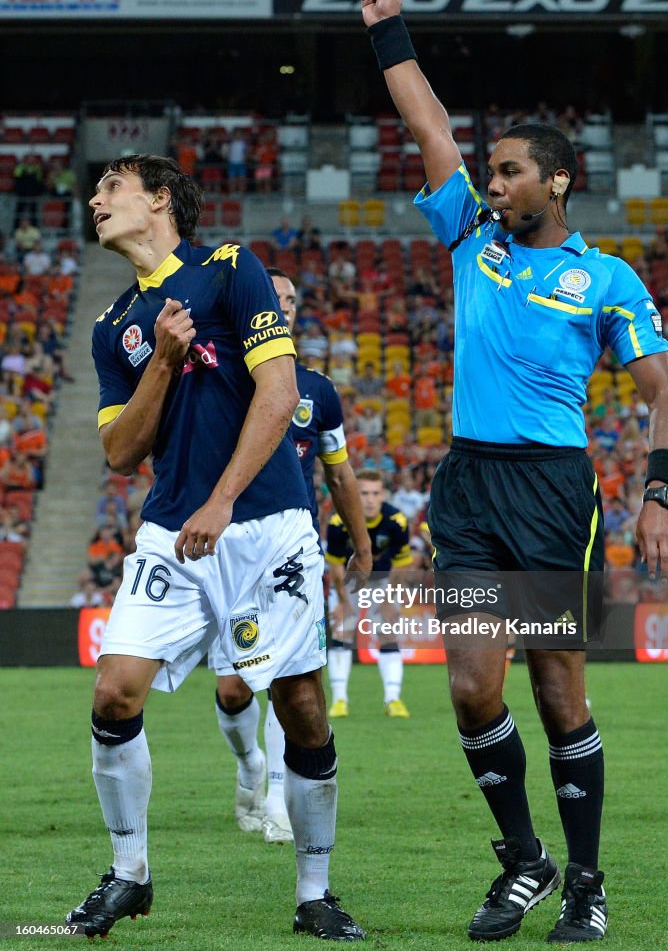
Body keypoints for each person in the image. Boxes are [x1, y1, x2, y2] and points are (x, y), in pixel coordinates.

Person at [361, 0, 668, 944]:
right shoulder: (469, 238)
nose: (489, 183)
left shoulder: (606, 278)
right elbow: (430, 131)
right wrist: (388, 34)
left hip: (549, 489)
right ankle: (524, 862)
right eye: (488, 171)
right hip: (466, 484)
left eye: (507, 173)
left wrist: (659, 491)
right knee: (468, 687)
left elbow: (662, 393)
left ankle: (584, 881)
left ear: (555, 181)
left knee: (555, 690)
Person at [66, 155, 364, 942]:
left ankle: (314, 893)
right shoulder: (112, 329)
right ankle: (129, 875)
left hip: (264, 522)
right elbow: (122, 453)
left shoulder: (231, 268)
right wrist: (161, 361)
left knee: (301, 708)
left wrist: (224, 498)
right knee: (113, 692)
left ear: (159, 200)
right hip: (171, 529)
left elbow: (279, 392)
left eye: (112, 188)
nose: (95, 200)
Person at [208, 268, 371, 844]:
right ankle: (249, 761)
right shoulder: (221, 378)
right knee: (232, 690)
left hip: (291, 549)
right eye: (273, 298)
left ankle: (278, 795)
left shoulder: (317, 390)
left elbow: (340, 472)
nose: (284, 306)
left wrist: (361, 540)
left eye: (292, 300)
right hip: (225, 545)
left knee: (288, 681)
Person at [325, 468, 413, 718]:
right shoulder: (339, 521)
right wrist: (343, 602)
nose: (370, 499)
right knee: (342, 632)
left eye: (375, 493)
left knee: (388, 635)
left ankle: (393, 699)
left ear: (383, 494)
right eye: (364, 493)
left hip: (382, 581)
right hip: (349, 581)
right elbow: (335, 564)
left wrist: (389, 600)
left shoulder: (397, 522)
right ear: (355, 494)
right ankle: (340, 700)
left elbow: (401, 563)